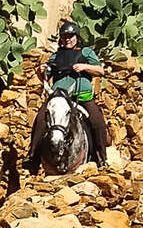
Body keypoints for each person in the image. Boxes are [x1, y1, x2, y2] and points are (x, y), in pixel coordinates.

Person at [24, 19, 109, 170]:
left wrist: (85, 67)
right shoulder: (55, 56)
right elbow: (43, 78)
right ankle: (32, 156)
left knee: (97, 122)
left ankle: (101, 158)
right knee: (41, 119)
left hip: (82, 97)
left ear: (77, 37)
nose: (68, 39)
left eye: (71, 36)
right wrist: (41, 70)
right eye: (64, 36)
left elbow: (100, 71)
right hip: (59, 97)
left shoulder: (85, 52)